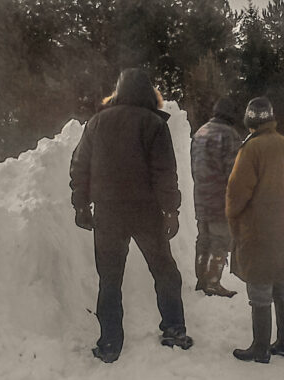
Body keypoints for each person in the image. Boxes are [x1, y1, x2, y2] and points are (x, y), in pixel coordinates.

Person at [69, 68, 192, 364]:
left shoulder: (97, 123)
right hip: (146, 212)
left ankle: (110, 343)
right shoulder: (153, 124)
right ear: (148, 93)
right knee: (164, 271)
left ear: (119, 91)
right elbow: (164, 172)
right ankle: (173, 329)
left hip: (109, 213)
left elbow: (79, 166)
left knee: (109, 279)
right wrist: (171, 210)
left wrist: (81, 205)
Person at [226, 97, 284, 363]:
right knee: (283, 287)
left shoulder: (251, 149)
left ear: (250, 120)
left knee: (260, 290)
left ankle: (260, 348)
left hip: (258, 230)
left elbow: (236, 193)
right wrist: (282, 201)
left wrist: (233, 218)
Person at [190, 96, 241, 297]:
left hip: (201, 196)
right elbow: (234, 171)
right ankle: (212, 282)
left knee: (203, 239)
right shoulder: (229, 135)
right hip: (220, 198)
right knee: (220, 241)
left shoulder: (200, 132)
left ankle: (201, 279)